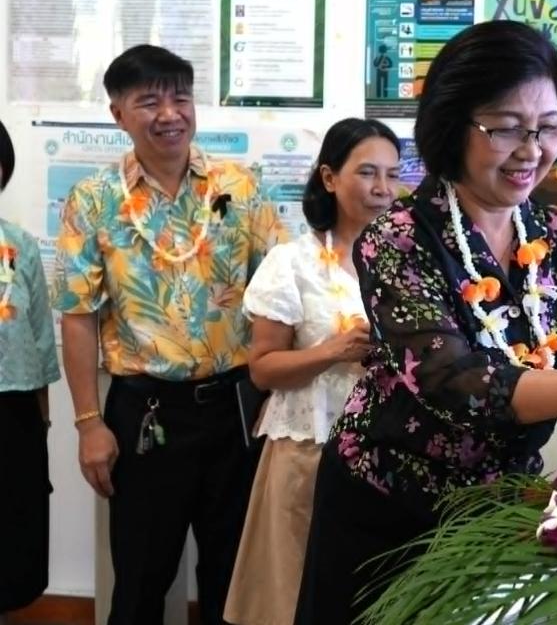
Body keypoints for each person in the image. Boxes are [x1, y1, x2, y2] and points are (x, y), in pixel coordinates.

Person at [294, 19, 557, 625]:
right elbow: (455, 381)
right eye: (507, 128)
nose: (531, 150)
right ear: (452, 124)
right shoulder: (397, 239)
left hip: (497, 513)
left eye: (549, 127)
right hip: (386, 510)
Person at [50, 44, 287, 625]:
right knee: (140, 580)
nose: (169, 113)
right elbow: (77, 315)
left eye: (180, 97)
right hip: (145, 413)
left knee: (234, 578)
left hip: (236, 407)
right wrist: (88, 424)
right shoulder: (94, 200)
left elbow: (279, 290)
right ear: (118, 114)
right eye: (148, 101)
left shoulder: (240, 186)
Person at [223, 118, 400, 625]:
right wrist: (334, 350)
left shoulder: (412, 264)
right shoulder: (291, 262)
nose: (383, 188)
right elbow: (263, 370)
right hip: (308, 451)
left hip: (391, 456)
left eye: (392, 174)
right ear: (329, 177)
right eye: (367, 172)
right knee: (294, 595)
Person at [0, 119, 60, 623]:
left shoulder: (18, 245)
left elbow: (40, 336)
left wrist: (44, 420)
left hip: (14, 412)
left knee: (10, 537)